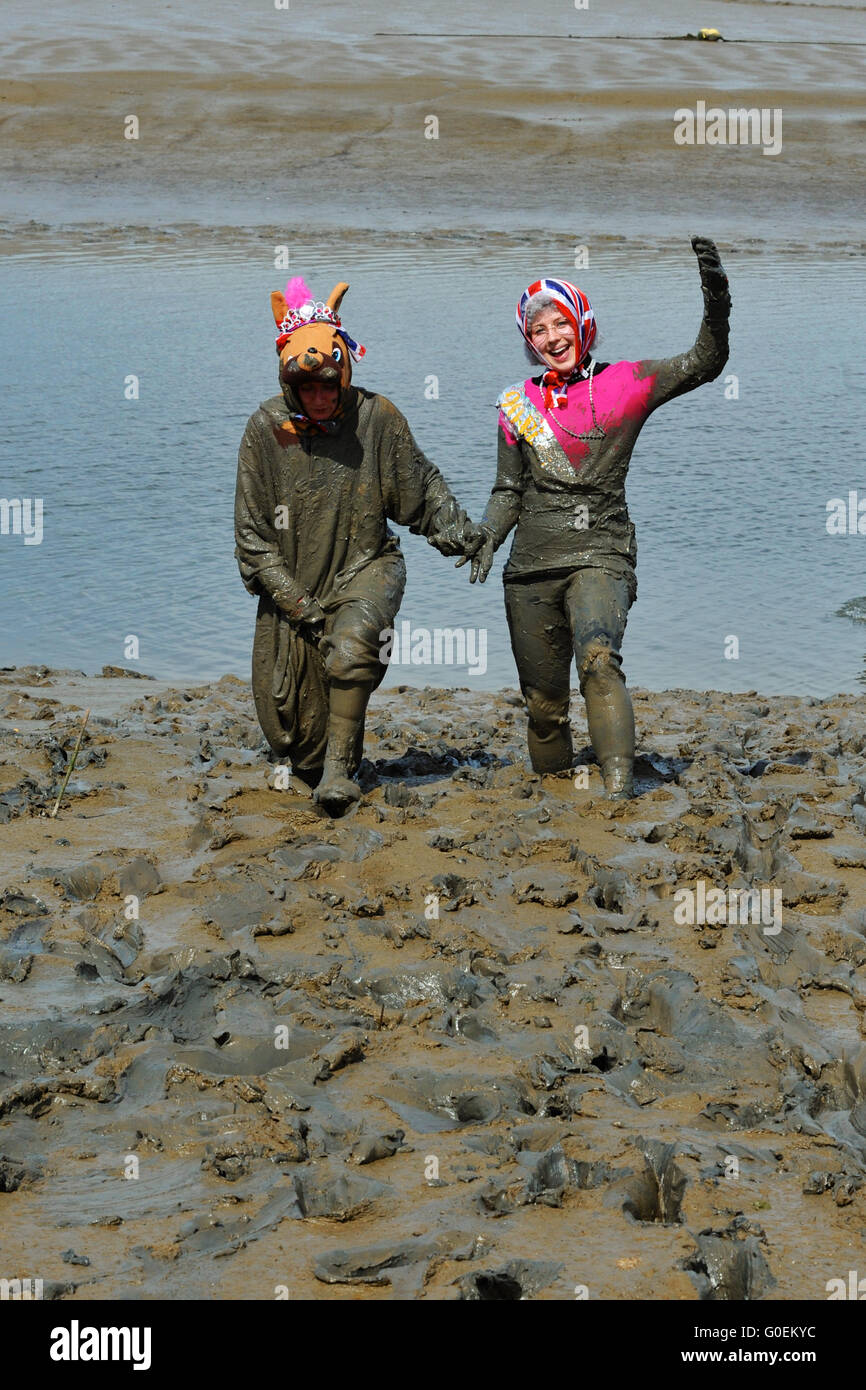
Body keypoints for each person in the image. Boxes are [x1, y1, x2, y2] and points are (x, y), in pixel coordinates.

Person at [458, 236, 731, 799]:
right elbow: (509, 489)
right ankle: (555, 797)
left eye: (560, 324)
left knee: (600, 661)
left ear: (582, 323)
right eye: (539, 331)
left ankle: (617, 793)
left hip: (601, 554)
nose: (552, 338)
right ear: (529, 342)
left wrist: (716, 297)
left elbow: (706, 360)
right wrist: (486, 532)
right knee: (543, 705)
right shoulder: (517, 404)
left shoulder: (627, 383)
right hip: (531, 565)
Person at [234, 277, 473, 814]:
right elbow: (251, 540)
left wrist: (461, 532)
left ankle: (341, 775)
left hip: (369, 564)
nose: (319, 398)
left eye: (328, 386)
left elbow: (419, 488)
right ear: (290, 386)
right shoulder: (265, 430)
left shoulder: (376, 418)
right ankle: (327, 761)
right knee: (293, 737)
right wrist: (301, 607)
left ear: (344, 375)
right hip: (296, 585)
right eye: (307, 389)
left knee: (352, 648)